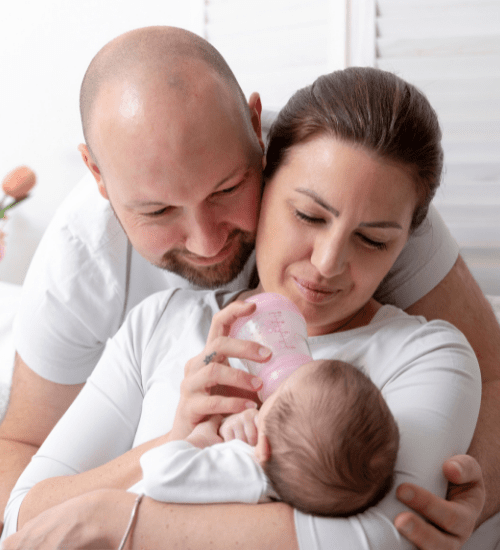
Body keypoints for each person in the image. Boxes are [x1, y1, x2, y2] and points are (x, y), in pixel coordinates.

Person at [0, 25, 495, 548]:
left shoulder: (428, 349)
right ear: (100, 179)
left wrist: (115, 520)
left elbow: (390, 537)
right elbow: (22, 503)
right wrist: (172, 441)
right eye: (307, 216)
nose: (327, 264)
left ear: (260, 151)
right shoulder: (153, 320)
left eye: (371, 239)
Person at [130, 359, 400, 518]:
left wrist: (203, 436)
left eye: (279, 394)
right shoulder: (280, 491)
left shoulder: (246, 473)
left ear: (265, 446)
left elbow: (158, 470)